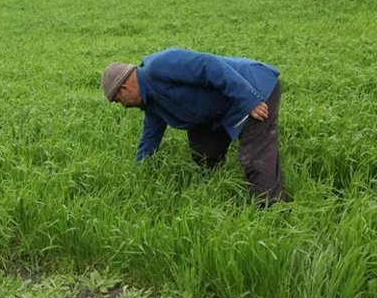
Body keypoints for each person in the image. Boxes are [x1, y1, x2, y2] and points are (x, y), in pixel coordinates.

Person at [101, 47, 287, 205]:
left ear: (125, 88)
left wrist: (249, 99)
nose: (124, 106)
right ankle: (218, 188)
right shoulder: (151, 103)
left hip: (252, 89)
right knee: (203, 149)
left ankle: (271, 211)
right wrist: (139, 172)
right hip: (220, 109)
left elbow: (209, 65)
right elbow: (150, 137)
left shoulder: (158, 66)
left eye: (119, 100)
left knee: (254, 156)